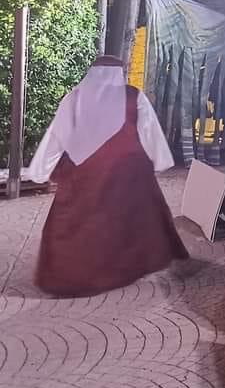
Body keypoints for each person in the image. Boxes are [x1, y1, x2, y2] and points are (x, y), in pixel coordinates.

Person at [26, 56, 188, 296]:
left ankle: (77, 274)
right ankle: (123, 268)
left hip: (84, 174)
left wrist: (40, 170)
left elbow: (57, 135)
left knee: (83, 222)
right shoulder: (134, 97)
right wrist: (159, 161)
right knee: (126, 219)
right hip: (130, 172)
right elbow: (149, 131)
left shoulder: (75, 98)